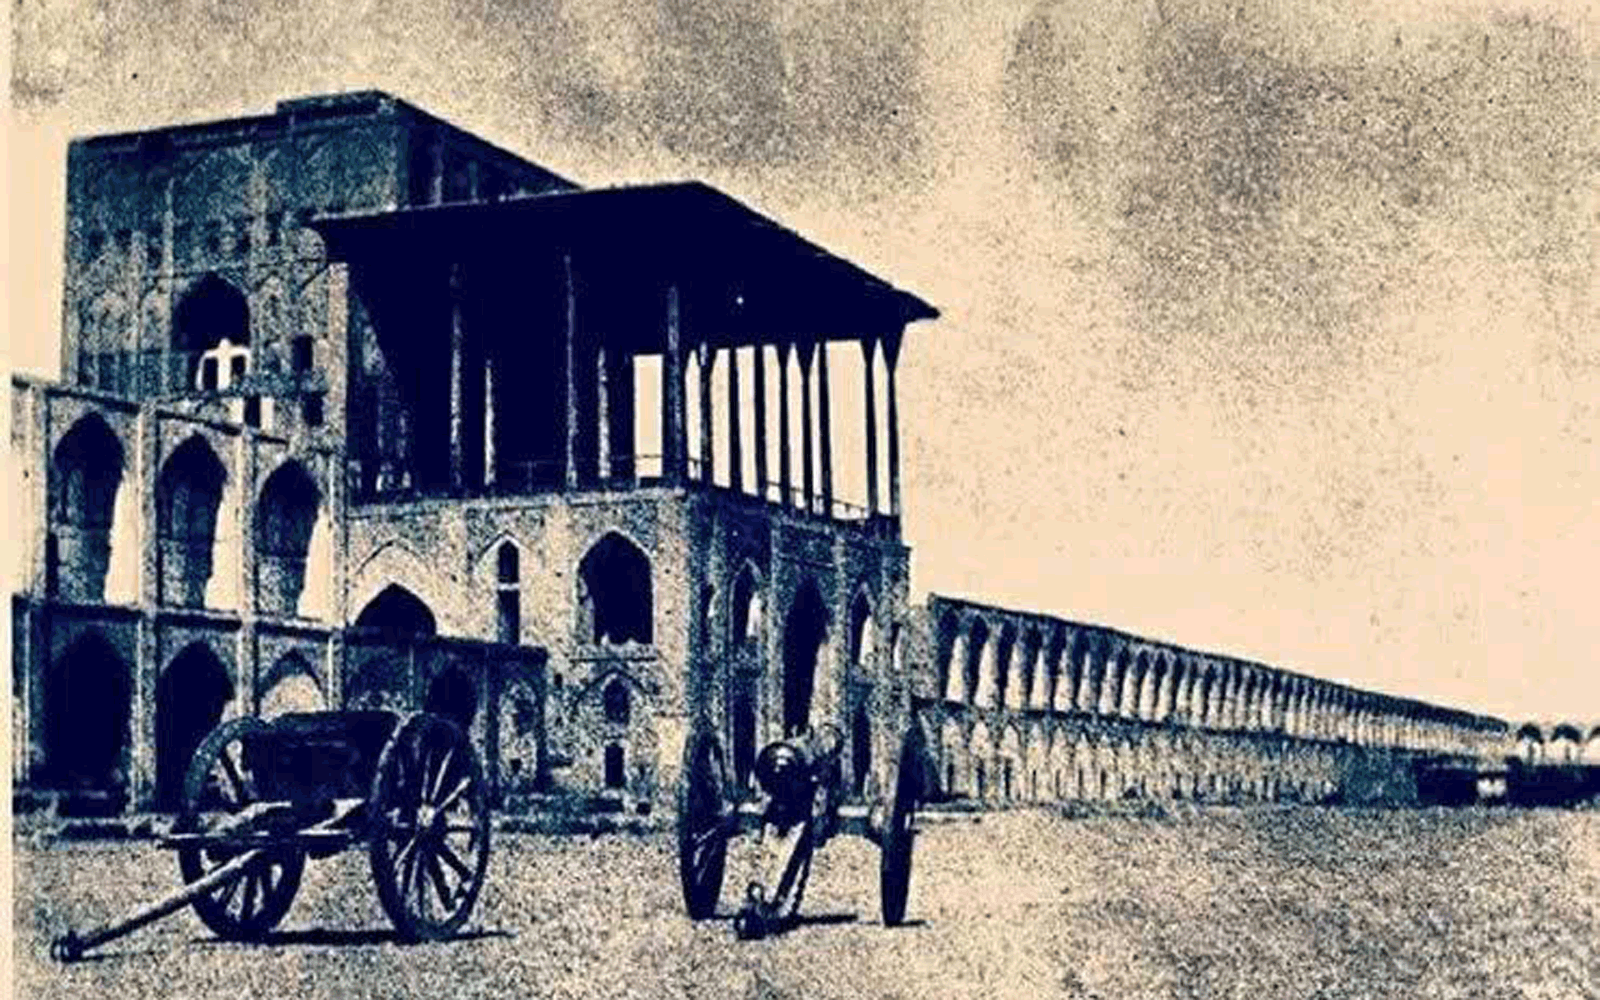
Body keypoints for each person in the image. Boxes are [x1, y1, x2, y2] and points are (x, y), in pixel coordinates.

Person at [734, 724, 843, 939]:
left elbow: (822, 792)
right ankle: (763, 900)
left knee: (792, 842)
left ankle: (768, 899)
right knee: (778, 843)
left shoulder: (809, 758)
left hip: (790, 788)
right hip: (784, 785)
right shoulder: (802, 758)